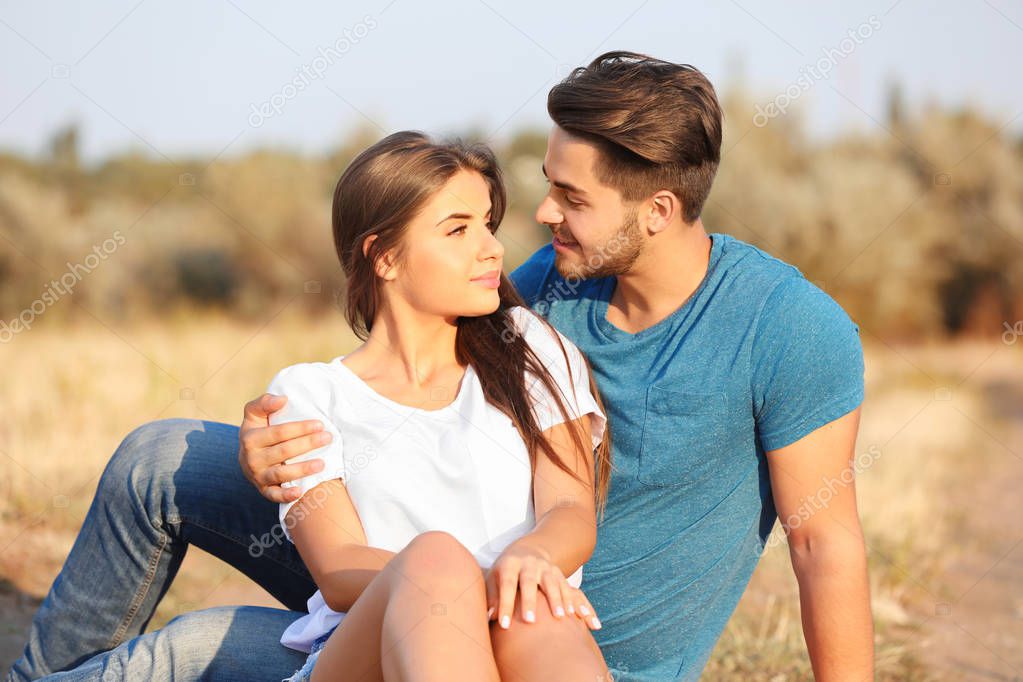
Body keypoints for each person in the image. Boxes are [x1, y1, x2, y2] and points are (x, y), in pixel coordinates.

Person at [9, 51, 873, 682]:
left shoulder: (785, 329)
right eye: (543, 186)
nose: (538, 217)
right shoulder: (538, 292)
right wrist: (264, 435)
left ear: (655, 210)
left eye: (570, 199)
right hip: (401, 575)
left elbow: (821, 541)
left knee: (195, 649)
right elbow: (397, 362)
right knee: (160, 460)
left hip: (559, 625)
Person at [265, 130, 613, 680]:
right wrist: (469, 581)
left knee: (537, 610)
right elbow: (337, 567)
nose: (492, 247)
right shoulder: (309, 395)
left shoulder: (530, 348)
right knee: (434, 562)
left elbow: (570, 511)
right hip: (365, 654)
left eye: (488, 225)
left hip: (517, 626)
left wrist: (532, 559)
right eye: (457, 229)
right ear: (383, 257)